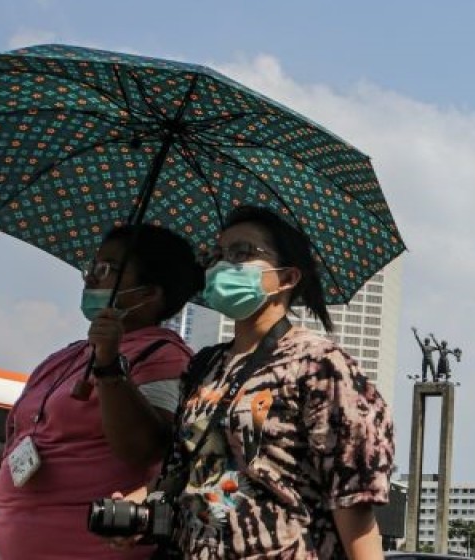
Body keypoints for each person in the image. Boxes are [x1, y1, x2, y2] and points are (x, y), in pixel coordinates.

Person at [124, 205, 394, 560]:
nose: (222, 265)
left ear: (287, 278)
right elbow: (182, 474)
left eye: (242, 253)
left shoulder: (320, 365)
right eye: (216, 254)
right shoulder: (204, 365)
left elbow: (354, 505)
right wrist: (137, 508)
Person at [0, 223, 204, 560]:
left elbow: (143, 450)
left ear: (147, 294)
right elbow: (16, 448)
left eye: (106, 269)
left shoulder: (164, 355)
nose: (90, 279)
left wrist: (109, 365)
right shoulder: (63, 358)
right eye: (91, 267)